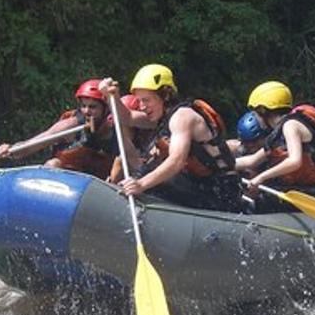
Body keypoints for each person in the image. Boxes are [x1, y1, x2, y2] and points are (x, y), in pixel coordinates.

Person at [99, 64, 240, 211]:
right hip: (199, 185)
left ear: (165, 95)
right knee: (148, 169)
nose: (141, 106)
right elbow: (127, 117)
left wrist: (141, 184)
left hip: (219, 191)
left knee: (150, 174)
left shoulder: (182, 116)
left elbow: (176, 161)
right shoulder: (163, 117)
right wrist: (113, 96)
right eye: (139, 101)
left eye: (146, 100)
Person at [235, 81, 315, 211]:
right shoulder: (277, 133)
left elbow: (294, 161)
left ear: (263, 110)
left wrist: (261, 177)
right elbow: (251, 160)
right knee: (269, 190)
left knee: (266, 197)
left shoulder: (291, 125)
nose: (255, 117)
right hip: (309, 188)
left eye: (256, 113)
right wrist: (220, 164)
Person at [0, 79, 119, 179]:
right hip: (69, 180)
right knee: (53, 164)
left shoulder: (116, 129)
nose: (86, 111)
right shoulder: (70, 125)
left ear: (105, 109)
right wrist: (11, 150)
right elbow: (31, 145)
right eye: (83, 106)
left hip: (99, 186)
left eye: (93, 107)